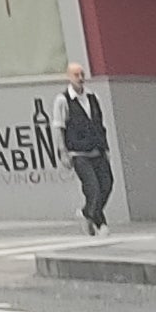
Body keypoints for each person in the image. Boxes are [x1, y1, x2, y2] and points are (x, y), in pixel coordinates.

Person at [59, 63, 113, 235]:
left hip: (97, 149)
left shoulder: (92, 97)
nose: (80, 78)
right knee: (92, 187)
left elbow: (99, 124)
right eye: (76, 75)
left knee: (107, 184)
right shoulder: (63, 100)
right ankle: (100, 222)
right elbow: (59, 128)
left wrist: (105, 147)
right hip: (78, 153)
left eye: (82, 74)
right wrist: (63, 152)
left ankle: (86, 213)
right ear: (69, 77)